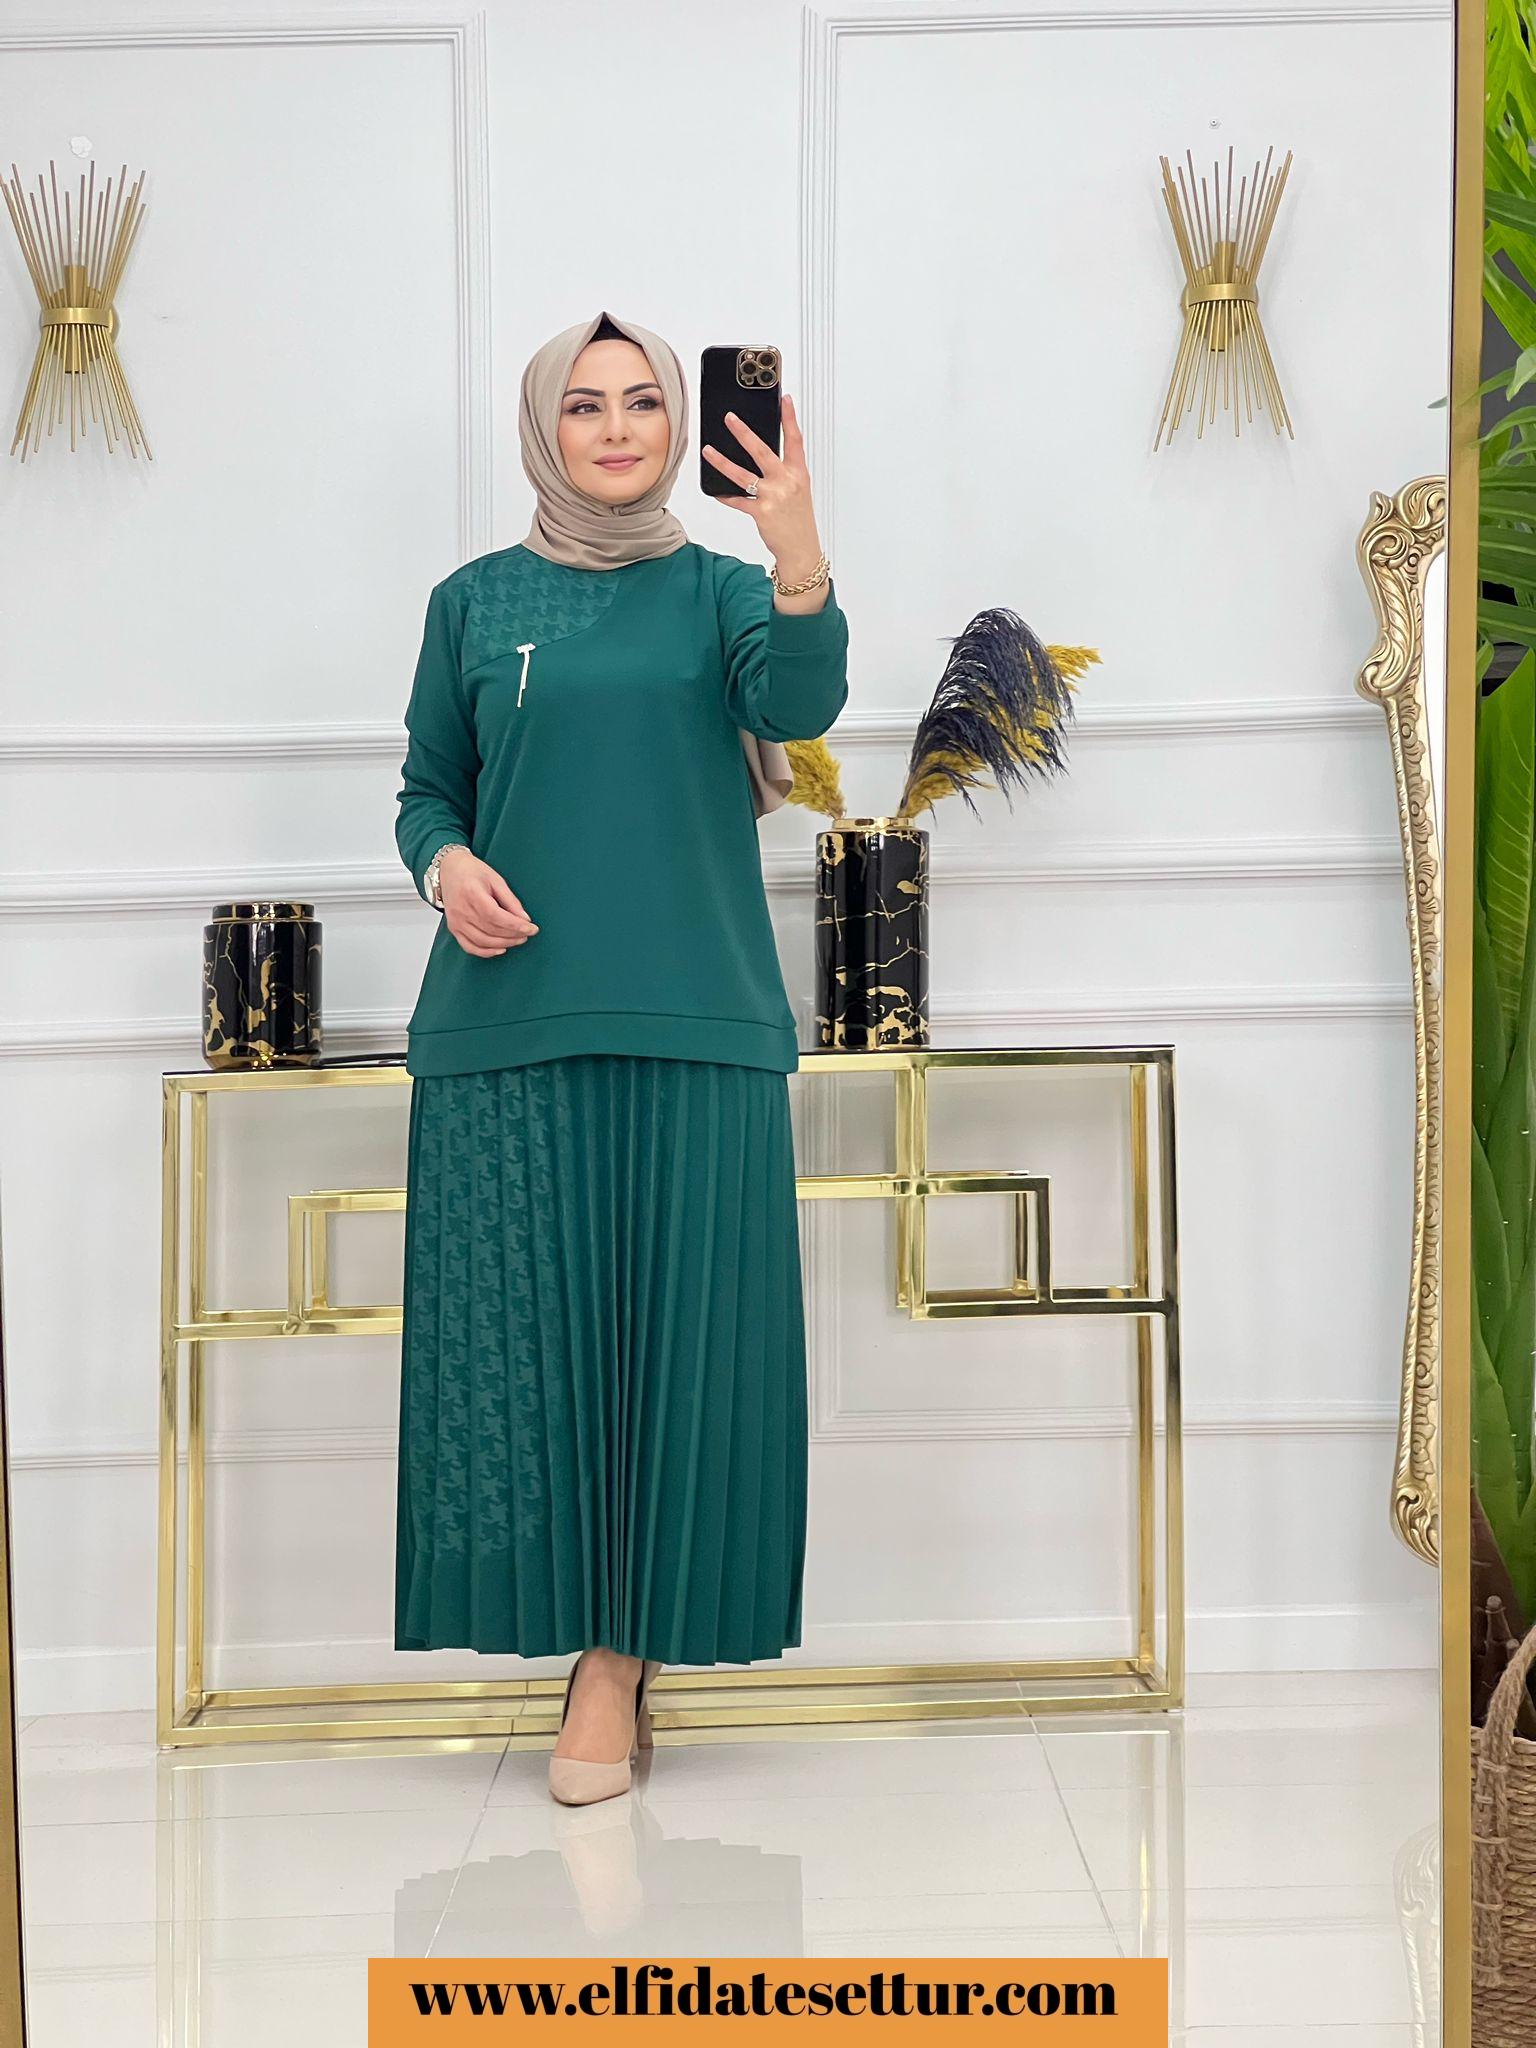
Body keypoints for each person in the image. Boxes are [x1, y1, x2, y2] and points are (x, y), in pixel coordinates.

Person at [391, 309, 849, 1805]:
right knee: (526, 1362)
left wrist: (795, 542)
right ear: (545, 429)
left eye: (644, 401)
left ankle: (617, 1666)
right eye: (584, 405)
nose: (616, 427)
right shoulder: (473, 603)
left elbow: (799, 704)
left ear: (677, 427)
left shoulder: (724, 591)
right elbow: (427, 790)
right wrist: (446, 865)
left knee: (684, 1359)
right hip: (504, 1024)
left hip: (698, 1017)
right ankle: (575, 1636)